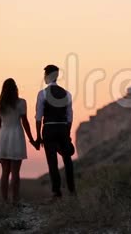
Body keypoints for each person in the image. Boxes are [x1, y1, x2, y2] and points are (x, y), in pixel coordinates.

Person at [35, 64, 76, 198]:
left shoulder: (43, 94)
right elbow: (70, 117)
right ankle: (72, 190)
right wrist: (67, 134)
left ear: (47, 76)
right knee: (67, 160)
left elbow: (38, 117)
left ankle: (56, 192)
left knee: (52, 162)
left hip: (49, 129)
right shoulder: (67, 94)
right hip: (63, 128)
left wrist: (38, 136)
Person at [0, 78, 37, 203]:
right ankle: (15, 199)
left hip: (3, 136)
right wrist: (31, 139)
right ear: (15, 88)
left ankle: (4, 200)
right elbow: (25, 122)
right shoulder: (21, 102)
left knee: (5, 172)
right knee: (15, 172)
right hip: (16, 136)